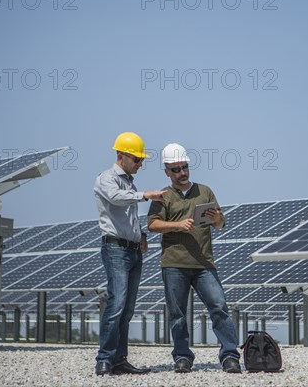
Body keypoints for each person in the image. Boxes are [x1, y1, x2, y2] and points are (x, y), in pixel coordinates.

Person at [147, 143, 242, 374]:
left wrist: (216, 217)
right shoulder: (162, 196)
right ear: (167, 172)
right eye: (176, 169)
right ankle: (182, 357)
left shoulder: (205, 191)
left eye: (185, 167)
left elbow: (220, 225)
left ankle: (230, 356)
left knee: (219, 307)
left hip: (204, 264)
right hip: (174, 264)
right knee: (177, 314)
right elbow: (152, 225)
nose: (182, 173)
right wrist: (177, 225)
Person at [94, 132, 166, 376]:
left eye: (140, 160)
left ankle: (119, 359)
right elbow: (116, 199)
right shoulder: (106, 179)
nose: (140, 164)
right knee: (115, 305)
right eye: (136, 159)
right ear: (121, 156)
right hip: (115, 250)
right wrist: (145, 195)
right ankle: (104, 359)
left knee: (127, 310)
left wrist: (141, 235)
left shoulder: (130, 184)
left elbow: (128, 218)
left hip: (134, 251)